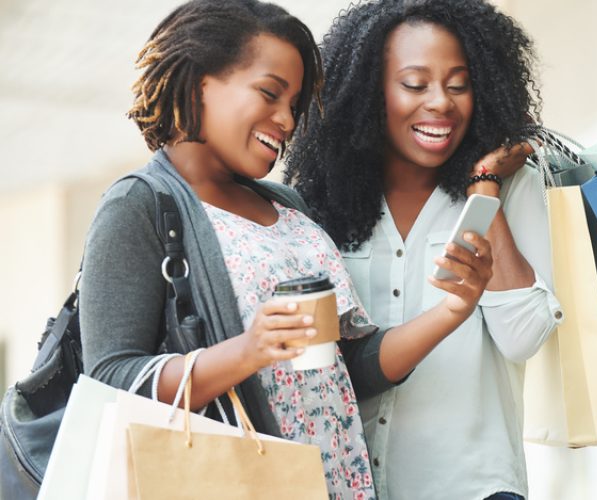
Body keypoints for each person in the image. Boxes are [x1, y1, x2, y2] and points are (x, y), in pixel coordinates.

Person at [80, 1, 492, 497]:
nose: (287, 121)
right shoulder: (138, 205)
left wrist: (451, 311)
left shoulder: (289, 207)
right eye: (270, 94)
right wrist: (246, 352)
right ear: (199, 83)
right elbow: (109, 378)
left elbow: (350, 367)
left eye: (294, 105)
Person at [285, 1, 562, 498]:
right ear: (371, 92)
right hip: (348, 485)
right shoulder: (319, 200)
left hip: (472, 485)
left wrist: (484, 188)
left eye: (458, 85)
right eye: (415, 85)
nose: (440, 102)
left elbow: (523, 338)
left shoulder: (513, 186)